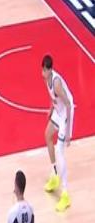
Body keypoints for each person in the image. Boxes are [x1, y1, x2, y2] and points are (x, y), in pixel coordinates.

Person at [42, 55, 74, 212]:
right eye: (42, 70)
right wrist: (50, 109)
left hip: (66, 114)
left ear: (49, 70)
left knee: (60, 152)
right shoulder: (46, 80)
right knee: (47, 135)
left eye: (44, 70)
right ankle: (55, 173)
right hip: (58, 111)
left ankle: (66, 194)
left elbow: (68, 104)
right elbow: (53, 98)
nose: (42, 73)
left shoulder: (57, 84)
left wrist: (68, 132)